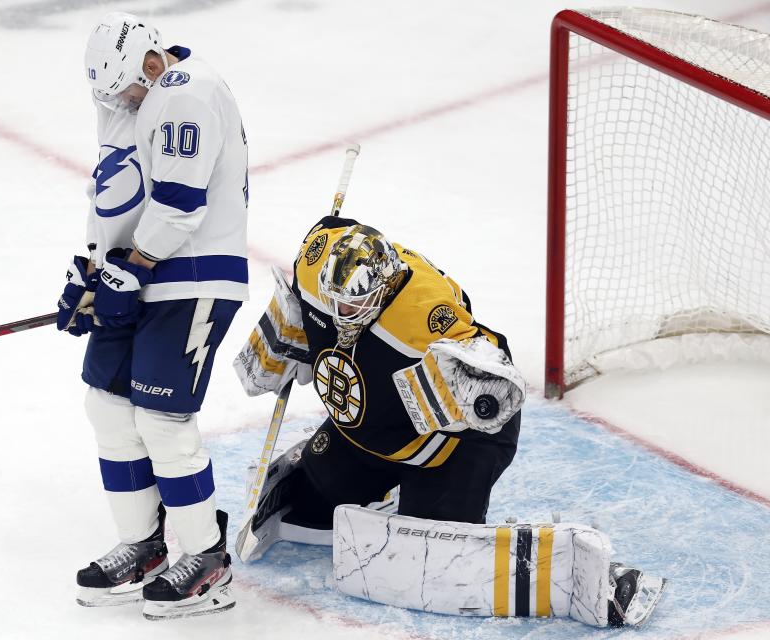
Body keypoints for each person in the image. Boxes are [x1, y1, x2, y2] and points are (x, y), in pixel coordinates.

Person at [233, 216, 665, 628]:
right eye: (337, 300)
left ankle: (568, 570)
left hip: (452, 444)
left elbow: (497, 378)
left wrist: (470, 381)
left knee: (434, 560)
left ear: (385, 286)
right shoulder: (316, 257)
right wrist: (286, 337)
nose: (345, 310)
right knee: (311, 506)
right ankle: (379, 485)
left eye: (358, 302)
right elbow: (327, 232)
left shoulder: (425, 312)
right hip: (370, 430)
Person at [55, 11, 248, 620]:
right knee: (107, 406)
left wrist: (128, 269)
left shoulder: (185, 95)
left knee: (162, 418)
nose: (121, 102)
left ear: (149, 62)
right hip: (141, 272)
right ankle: (144, 547)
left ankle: (206, 559)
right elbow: (117, 189)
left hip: (192, 276)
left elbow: (179, 206)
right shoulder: (133, 99)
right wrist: (92, 270)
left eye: (125, 89)